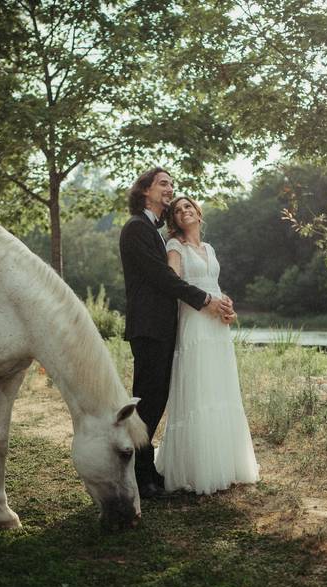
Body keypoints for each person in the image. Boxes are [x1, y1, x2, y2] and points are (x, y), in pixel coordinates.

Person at [119, 167, 233, 499]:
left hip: (163, 327)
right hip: (149, 327)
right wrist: (204, 299)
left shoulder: (151, 230)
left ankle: (145, 471)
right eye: (163, 184)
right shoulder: (136, 228)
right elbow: (162, 278)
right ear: (145, 190)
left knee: (155, 402)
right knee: (147, 402)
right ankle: (140, 477)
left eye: (172, 184)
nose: (170, 189)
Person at [154, 195, 259, 495]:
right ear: (174, 219)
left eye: (188, 206)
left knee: (219, 387)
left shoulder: (209, 249)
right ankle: (197, 469)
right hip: (195, 323)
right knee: (200, 390)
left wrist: (226, 305)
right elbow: (174, 285)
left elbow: (212, 284)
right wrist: (206, 303)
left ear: (198, 214)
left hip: (217, 327)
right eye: (177, 209)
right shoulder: (175, 247)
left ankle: (226, 464)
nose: (183, 210)